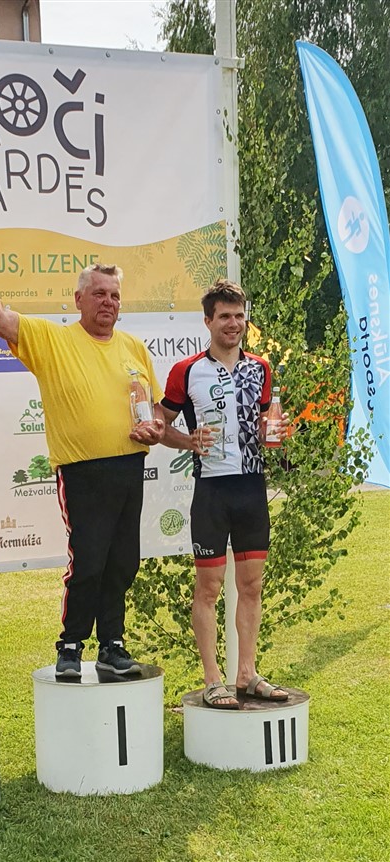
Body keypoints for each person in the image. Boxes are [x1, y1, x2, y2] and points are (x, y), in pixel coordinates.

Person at [0, 217, 164, 678]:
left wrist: (156, 430)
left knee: (122, 563)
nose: (108, 302)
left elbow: (158, 414)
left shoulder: (134, 348)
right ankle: (70, 646)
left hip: (129, 468)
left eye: (115, 295)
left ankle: (112, 645)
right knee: (88, 563)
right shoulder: (52, 339)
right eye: (99, 293)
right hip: (82, 473)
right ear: (78, 299)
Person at [160, 278, 290, 709]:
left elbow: (264, 425)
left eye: (239, 316)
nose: (233, 324)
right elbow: (159, 424)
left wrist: (274, 433)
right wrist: (188, 441)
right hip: (212, 492)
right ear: (208, 321)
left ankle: (246, 674)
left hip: (251, 487)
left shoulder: (261, 368)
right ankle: (212, 679)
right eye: (224, 317)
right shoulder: (187, 371)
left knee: (252, 585)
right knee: (209, 588)